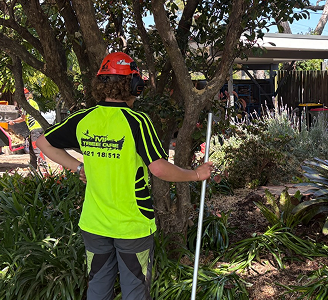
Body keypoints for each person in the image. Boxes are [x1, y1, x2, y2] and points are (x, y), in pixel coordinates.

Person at [36, 52, 214, 300]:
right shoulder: (136, 122)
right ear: (133, 85)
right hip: (132, 225)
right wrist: (196, 174)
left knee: (97, 286)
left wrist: (78, 167)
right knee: (135, 290)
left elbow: (43, 143)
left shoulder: (83, 119)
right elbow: (159, 168)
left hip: (94, 224)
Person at [9, 88, 45, 167]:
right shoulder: (33, 102)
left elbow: (23, 118)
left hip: (35, 129)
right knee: (32, 149)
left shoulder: (27, 104)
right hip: (39, 128)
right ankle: (33, 167)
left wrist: (13, 121)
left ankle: (43, 166)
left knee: (36, 148)